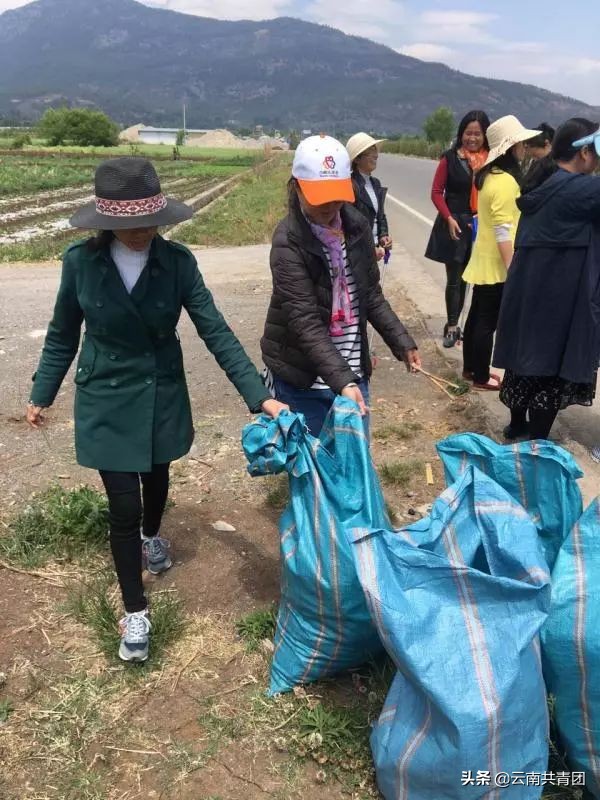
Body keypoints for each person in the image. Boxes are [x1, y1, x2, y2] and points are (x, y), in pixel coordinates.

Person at [26, 157, 287, 663]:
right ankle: (135, 610)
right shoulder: (80, 263)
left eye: (149, 221)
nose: (142, 232)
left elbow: (216, 330)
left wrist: (260, 396)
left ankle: (152, 534)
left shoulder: (178, 263)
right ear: (107, 224)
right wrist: (42, 392)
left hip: (161, 388)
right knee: (121, 503)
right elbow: (62, 334)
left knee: (158, 474)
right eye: (129, 225)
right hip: (105, 392)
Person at [261, 134, 421, 438]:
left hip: (351, 371)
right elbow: (305, 322)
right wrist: (343, 382)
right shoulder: (288, 242)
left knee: (353, 465)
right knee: (313, 472)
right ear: (296, 187)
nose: (330, 205)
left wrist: (402, 342)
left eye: (336, 195)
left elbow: (370, 295)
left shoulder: (357, 227)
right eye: (319, 197)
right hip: (304, 378)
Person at [493, 118, 600, 441]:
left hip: (527, 289)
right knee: (551, 366)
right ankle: (537, 442)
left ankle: (516, 426)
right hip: (559, 295)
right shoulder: (582, 190)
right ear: (583, 154)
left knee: (523, 359)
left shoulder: (541, 181)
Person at [461, 115, 539, 390]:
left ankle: (471, 369)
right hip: (497, 261)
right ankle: (481, 376)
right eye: (520, 144)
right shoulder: (506, 181)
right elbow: (505, 230)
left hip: (483, 256)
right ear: (510, 147)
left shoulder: (488, 175)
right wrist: (514, 270)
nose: (524, 149)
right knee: (486, 322)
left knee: (477, 316)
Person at [425, 111, 490, 348]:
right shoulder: (449, 159)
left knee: (471, 278)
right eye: (468, 133)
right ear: (461, 133)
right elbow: (435, 192)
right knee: (455, 278)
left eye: (477, 134)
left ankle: (465, 324)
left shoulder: (490, 160)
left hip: (479, 224)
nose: (472, 138)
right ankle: (452, 326)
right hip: (453, 224)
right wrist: (449, 217)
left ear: (485, 135)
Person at [346, 132, 391, 261]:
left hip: (375, 251)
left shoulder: (375, 183)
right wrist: (369, 250)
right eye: (370, 151)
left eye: (375, 150)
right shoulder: (350, 186)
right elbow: (351, 227)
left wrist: (384, 235)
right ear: (357, 159)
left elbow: (380, 216)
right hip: (358, 255)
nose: (376, 155)